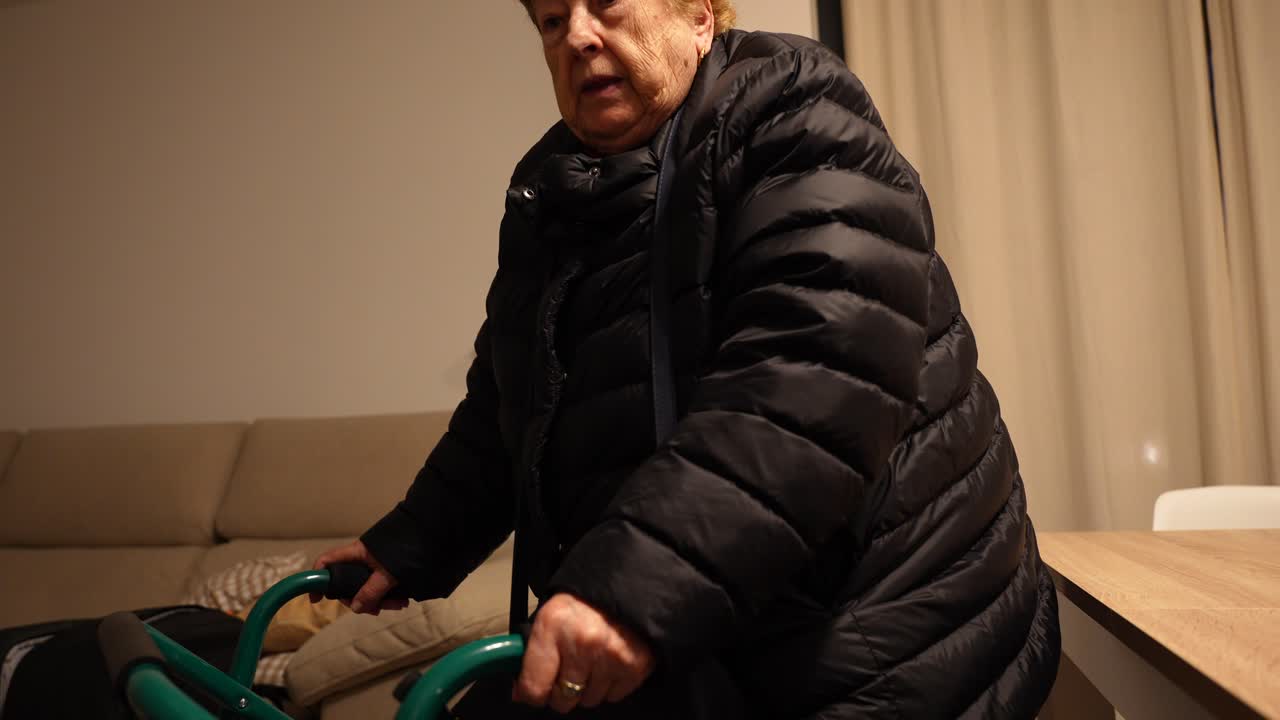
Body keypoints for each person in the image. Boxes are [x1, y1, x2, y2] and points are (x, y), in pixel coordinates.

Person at [314, 0, 1061, 717]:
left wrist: (632, 590)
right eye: (551, 19)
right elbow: (509, 405)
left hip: (876, 630)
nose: (576, 35)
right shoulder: (554, 189)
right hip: (712, 614)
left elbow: (807, 379)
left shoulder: (795, 108)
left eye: (606, 3)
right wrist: (411, 542)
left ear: (700, 16)